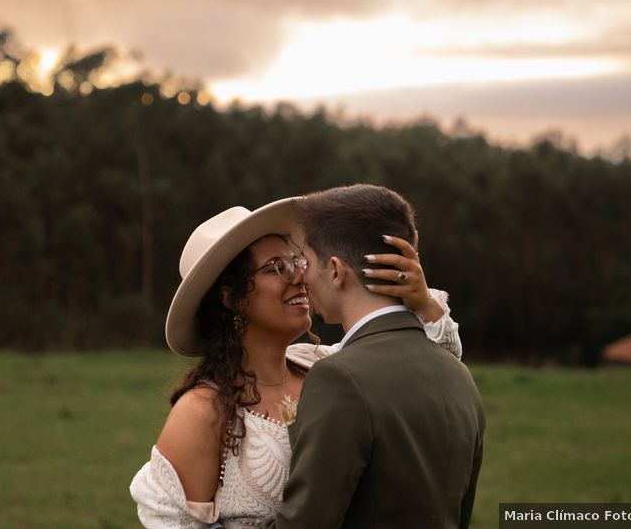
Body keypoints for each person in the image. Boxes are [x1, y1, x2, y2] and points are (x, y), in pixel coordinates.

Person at [130, 196, 463, 528]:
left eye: (298, 262)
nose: (300, 278)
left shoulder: (328, 367)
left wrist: (423, 303)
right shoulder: (204, 411)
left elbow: (436, 372)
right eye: (278, 268)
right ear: (231, 298)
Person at [261, 184, 485, 529]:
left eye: (305, 261)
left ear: (335, 271)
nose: (301, 276)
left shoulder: (339, 377)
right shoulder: (459, 376)